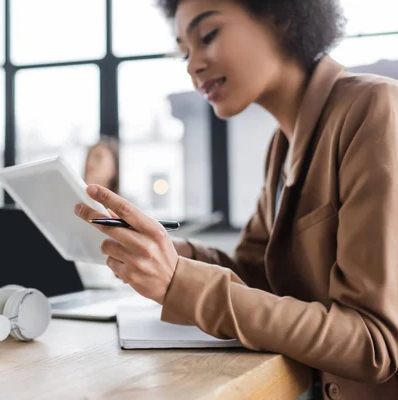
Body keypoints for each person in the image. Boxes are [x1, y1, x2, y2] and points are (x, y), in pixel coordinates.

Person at [73, 1, 398, 399]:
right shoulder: (282, 145)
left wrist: (181, 282)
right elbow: (255, 274)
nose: (193, 66)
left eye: (208, 35)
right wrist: (167, 251)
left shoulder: (374, 108)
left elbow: (374, 343)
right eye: (185, 52)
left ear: (281, 16)